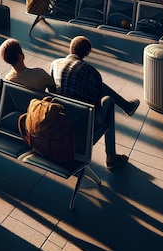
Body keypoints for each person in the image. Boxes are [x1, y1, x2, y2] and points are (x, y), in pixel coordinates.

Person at [50, 35, 140, 170]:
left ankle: (128, 106)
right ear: (87, 53)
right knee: (108, 101)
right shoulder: (91, 72)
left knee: (100, 87)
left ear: (70, 48)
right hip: (82, 121)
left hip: (60, 116)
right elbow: (96, 102)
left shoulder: (55, 64)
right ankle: (111, 156)